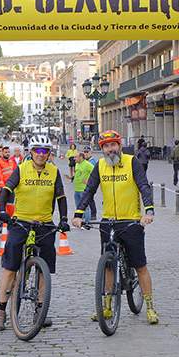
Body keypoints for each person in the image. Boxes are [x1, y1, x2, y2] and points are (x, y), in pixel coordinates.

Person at [72, 130, 159, 325]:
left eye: (113, 145)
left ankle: (150, 307)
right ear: (101, 149)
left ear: (120, 146)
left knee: (140, 266)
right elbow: (89, 190)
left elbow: (143, 185)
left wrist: (149, 211)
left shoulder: (131, 162)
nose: (110, 149)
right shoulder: (100, 165)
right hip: (109, 221)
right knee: (108, 267)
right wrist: (78, 214)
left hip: (131, 221)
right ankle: (106, 307)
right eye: (105, 146)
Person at [0, 134, 69, 331]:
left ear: (49, 153)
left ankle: (40, 309)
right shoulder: (21, 169)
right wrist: (2, 210)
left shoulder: (54, 171)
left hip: (44, 224)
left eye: (44, 151)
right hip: (21, 223)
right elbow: (6, 190)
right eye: (37, 151)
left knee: (44, 271)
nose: (41, 155)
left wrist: (64, 219)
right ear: (31, 152)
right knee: (10, 267)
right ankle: (1, 310)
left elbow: (60, 196)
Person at [64, 151, 96, 223]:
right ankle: (80, 221)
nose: (74, 158)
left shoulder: (87, 164)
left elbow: (95, 172)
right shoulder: (77, 164)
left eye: (76, 157)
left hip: (84, 189)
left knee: (86, 206)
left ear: (81, 157)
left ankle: (87, 222)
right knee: (78, 206)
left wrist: (89, 181)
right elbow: (77, 175)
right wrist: (71, 178)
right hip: (77, 189)